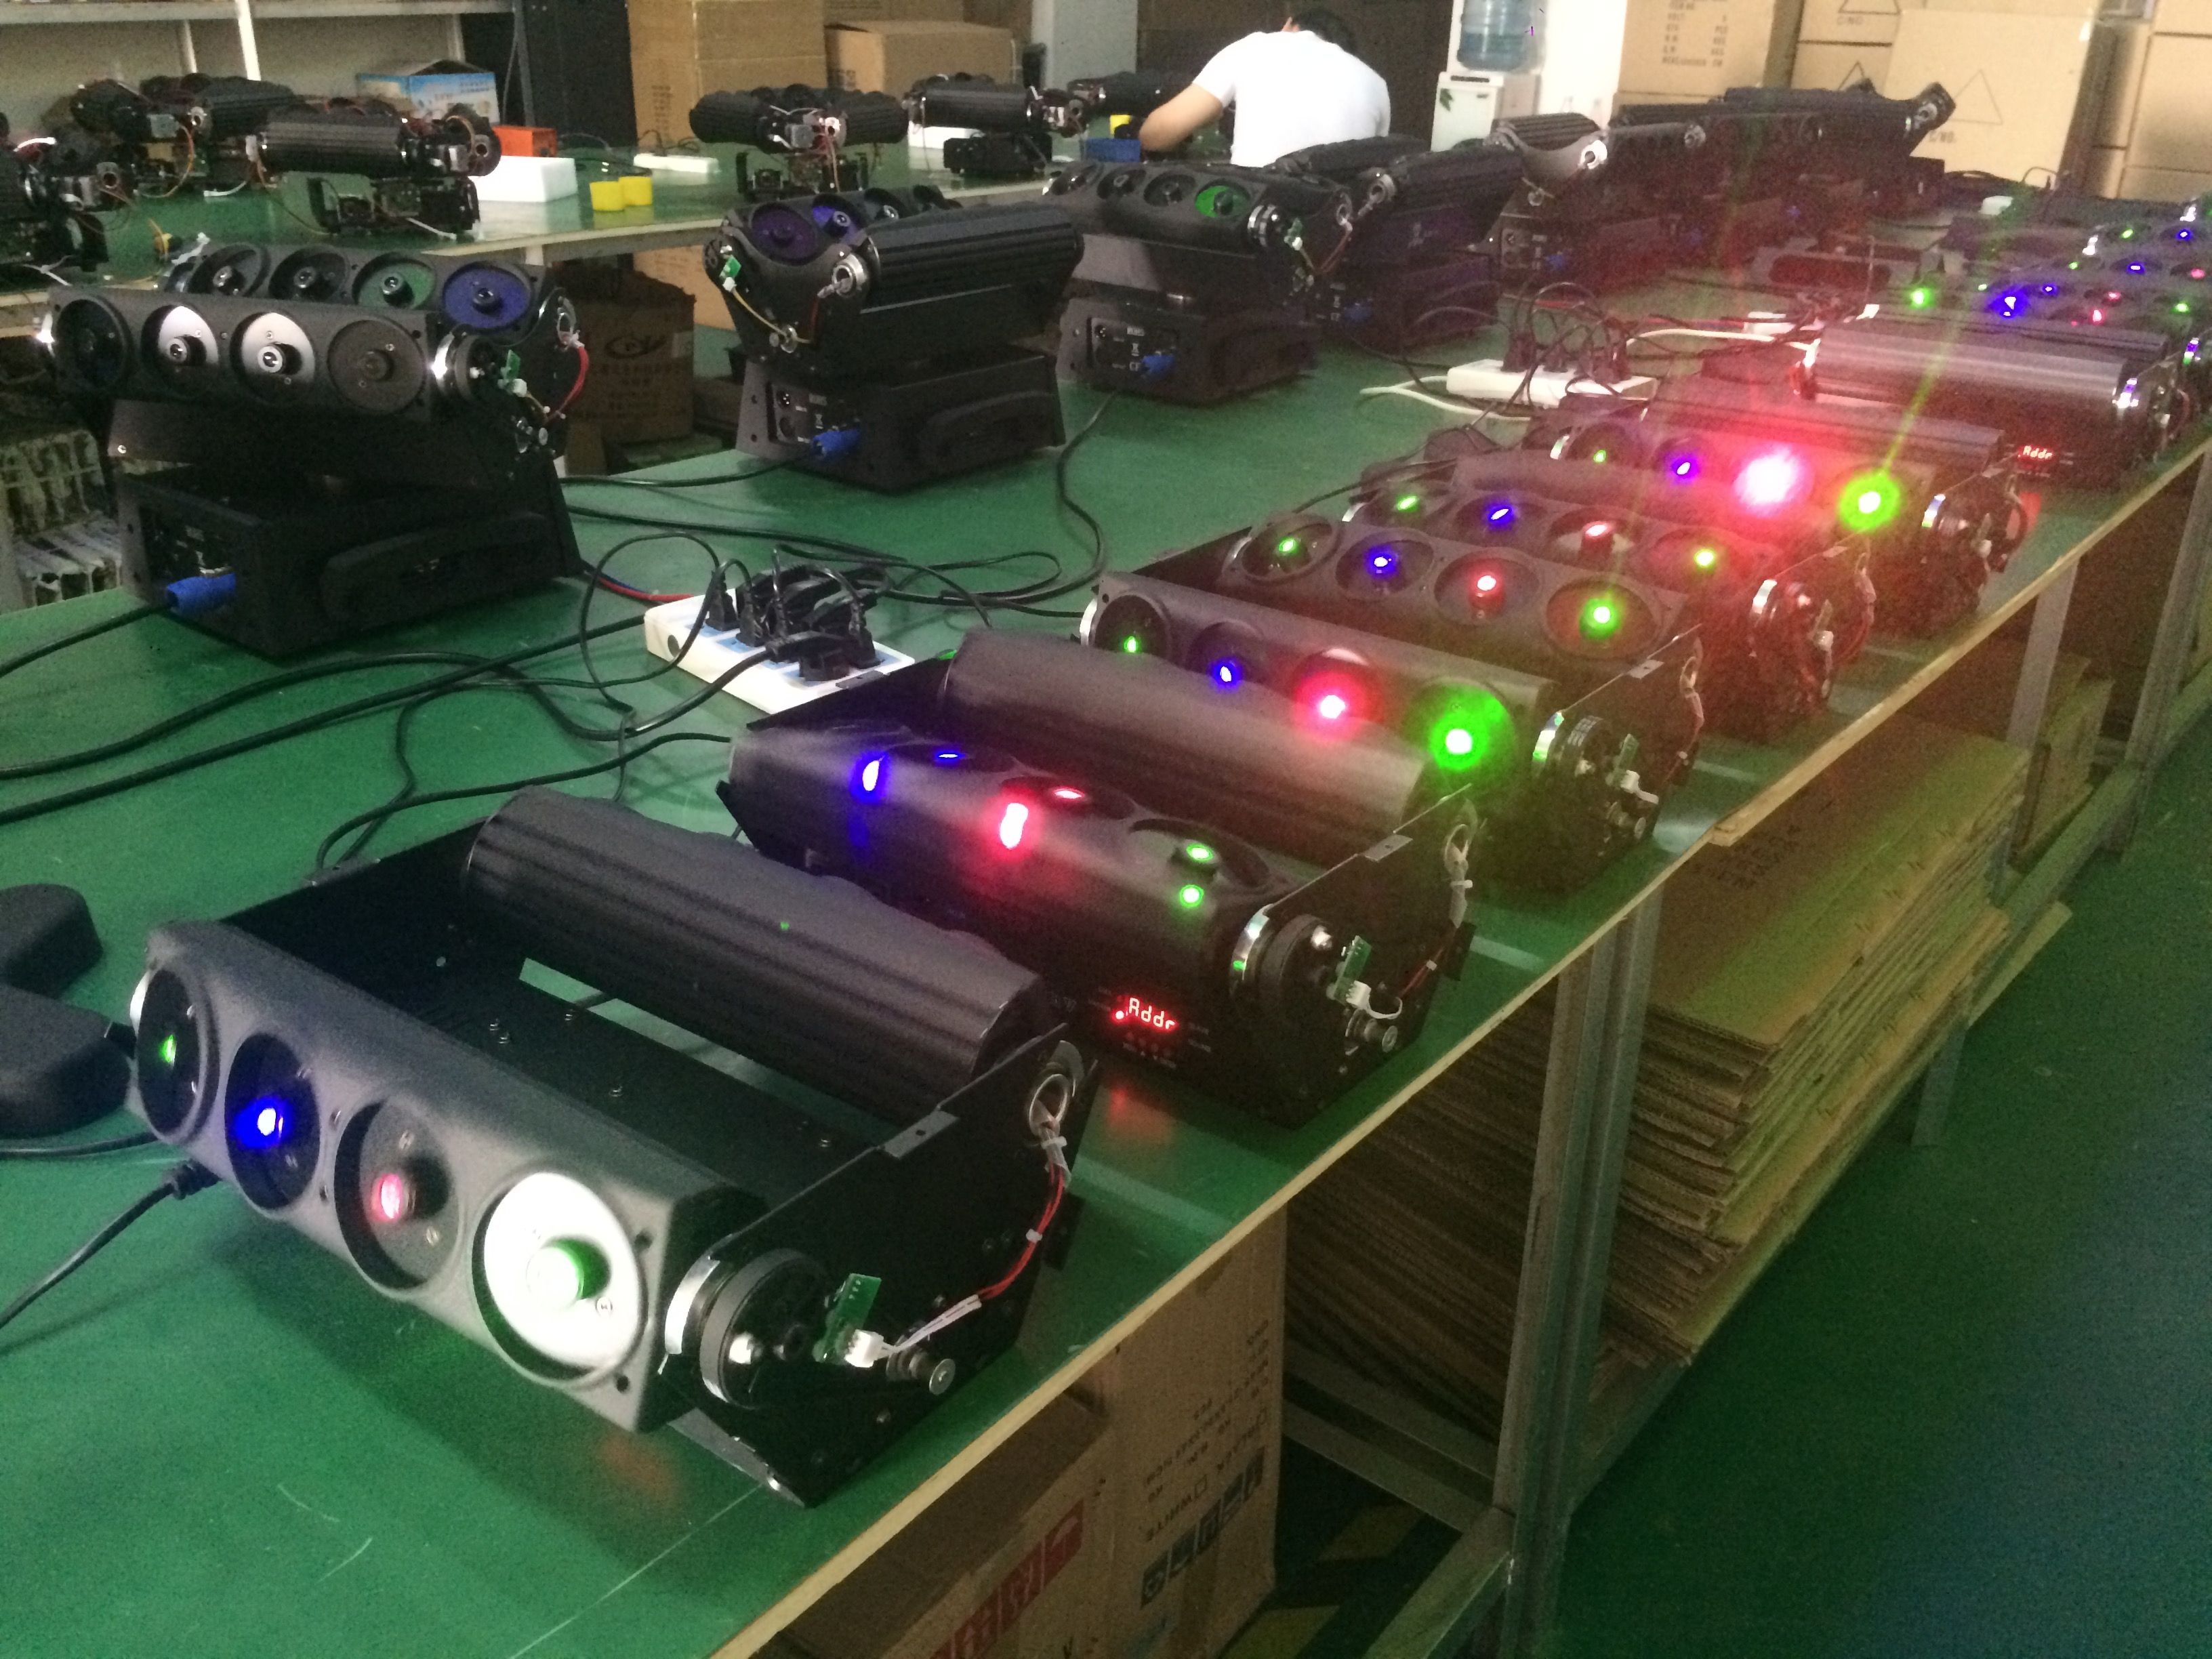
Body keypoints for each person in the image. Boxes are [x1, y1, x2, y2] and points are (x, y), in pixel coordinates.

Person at [1137, 9, 1391, 169]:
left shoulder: (1256, 46)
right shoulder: (1376, 83)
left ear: (1288, 26)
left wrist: (1208, 115)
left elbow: (1155, 134)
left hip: (1257, 210)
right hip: (1336, 226)